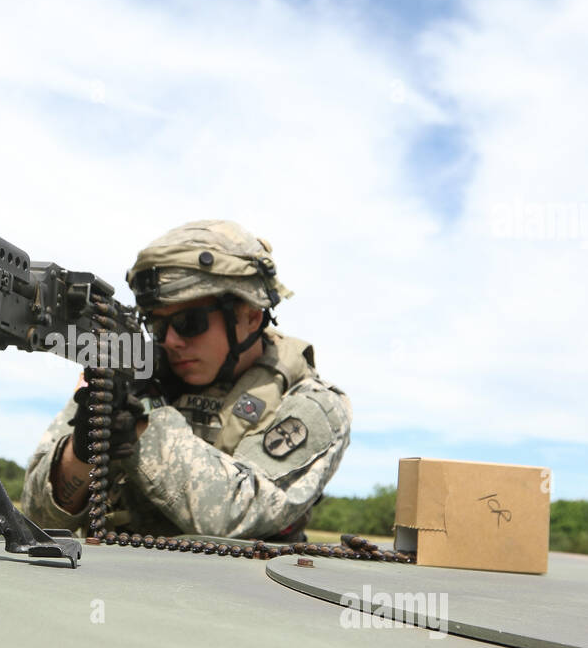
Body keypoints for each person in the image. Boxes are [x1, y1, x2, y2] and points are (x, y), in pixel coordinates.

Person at [21, 220, 352, 543]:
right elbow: (38, 519)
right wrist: (80, 453)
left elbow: (239, 512)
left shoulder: (313, 404)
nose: (172, 341)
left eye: (189, 322)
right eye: (156, 325)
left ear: (251, 316)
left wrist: (140, 430)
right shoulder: (131, 376)